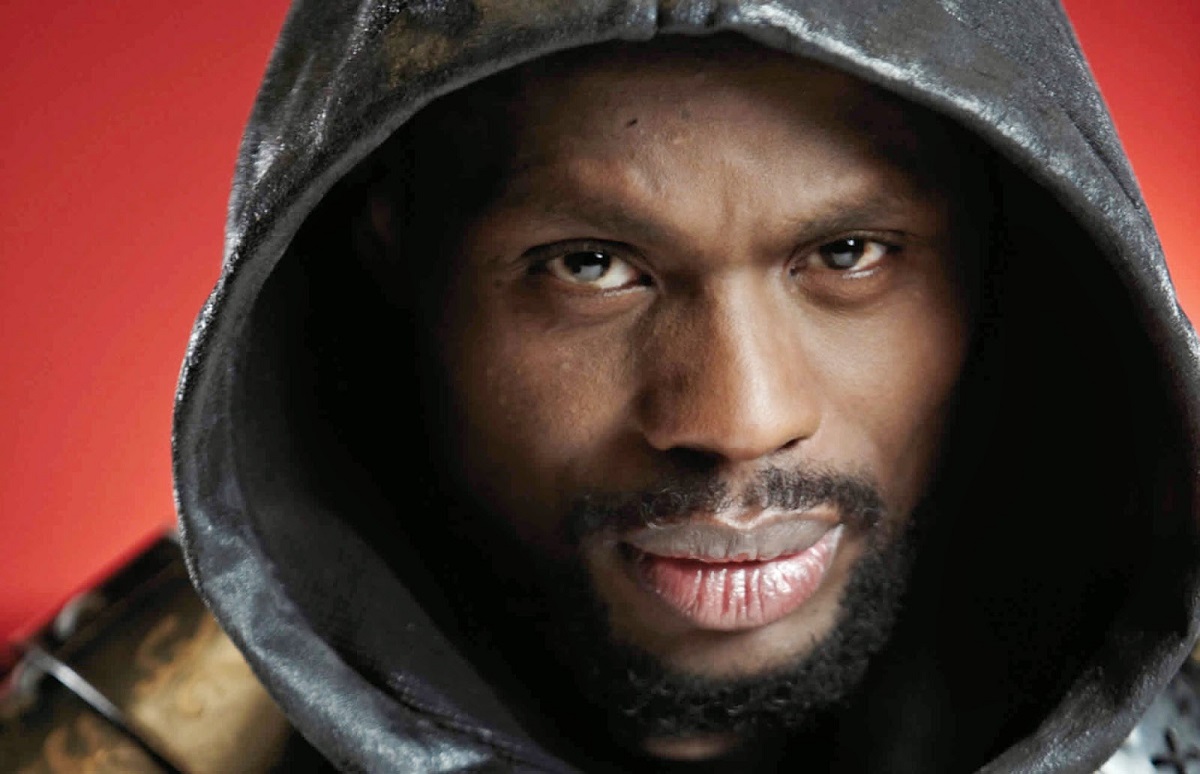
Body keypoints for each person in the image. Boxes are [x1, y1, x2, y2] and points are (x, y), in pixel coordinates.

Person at [173, 1, 1200, 771]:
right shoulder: (136, 730)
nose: (741, 421)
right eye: (590, 266)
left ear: (1004, 260)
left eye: (848, 253)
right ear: (395, 255)